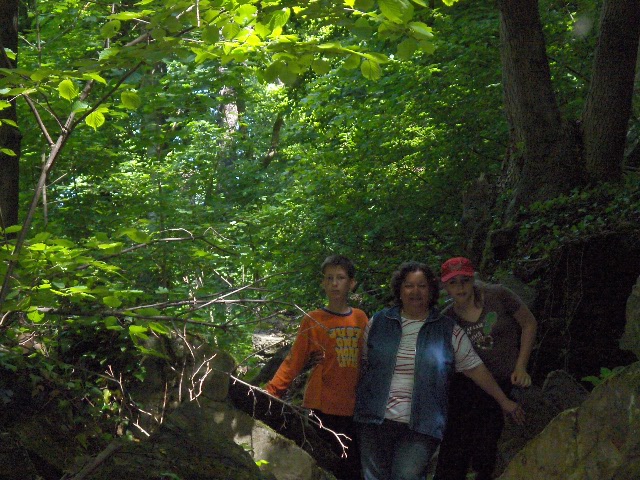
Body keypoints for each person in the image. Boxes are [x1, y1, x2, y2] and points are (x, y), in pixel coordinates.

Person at [354, 261, 524, 480]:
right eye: (408, 285)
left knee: (406, 475)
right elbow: (363, 365)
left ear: (432, 290)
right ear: (399, 290)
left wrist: (504, 401)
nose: (415, 291)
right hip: (374, 419)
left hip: (422, 424)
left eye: (422, 286)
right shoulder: (378, 322)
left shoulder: (447, 329)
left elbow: (474, 368)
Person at [265, 254, 368, 479]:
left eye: (340, 278)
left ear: (351, 283)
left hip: (352, 406)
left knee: (351, 468)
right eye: (329, 278)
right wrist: (271, 393)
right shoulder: (313, 320)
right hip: (320, 405)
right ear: (322, 283)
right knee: (323, 465)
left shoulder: (361, 318)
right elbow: (294, 360)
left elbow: (368, 359)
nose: (334, 283)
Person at [434, 256, 537, 480]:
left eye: (465, 280)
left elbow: (529, 323)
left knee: (488, 425)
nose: (460, 287)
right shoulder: (448, 319)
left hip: (507, 376)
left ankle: (482, 470)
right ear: (445, 287)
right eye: (453, 283)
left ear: (473, 279)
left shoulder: (498, 295)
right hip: (474, 384)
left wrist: (521, 366)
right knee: (460, 422)